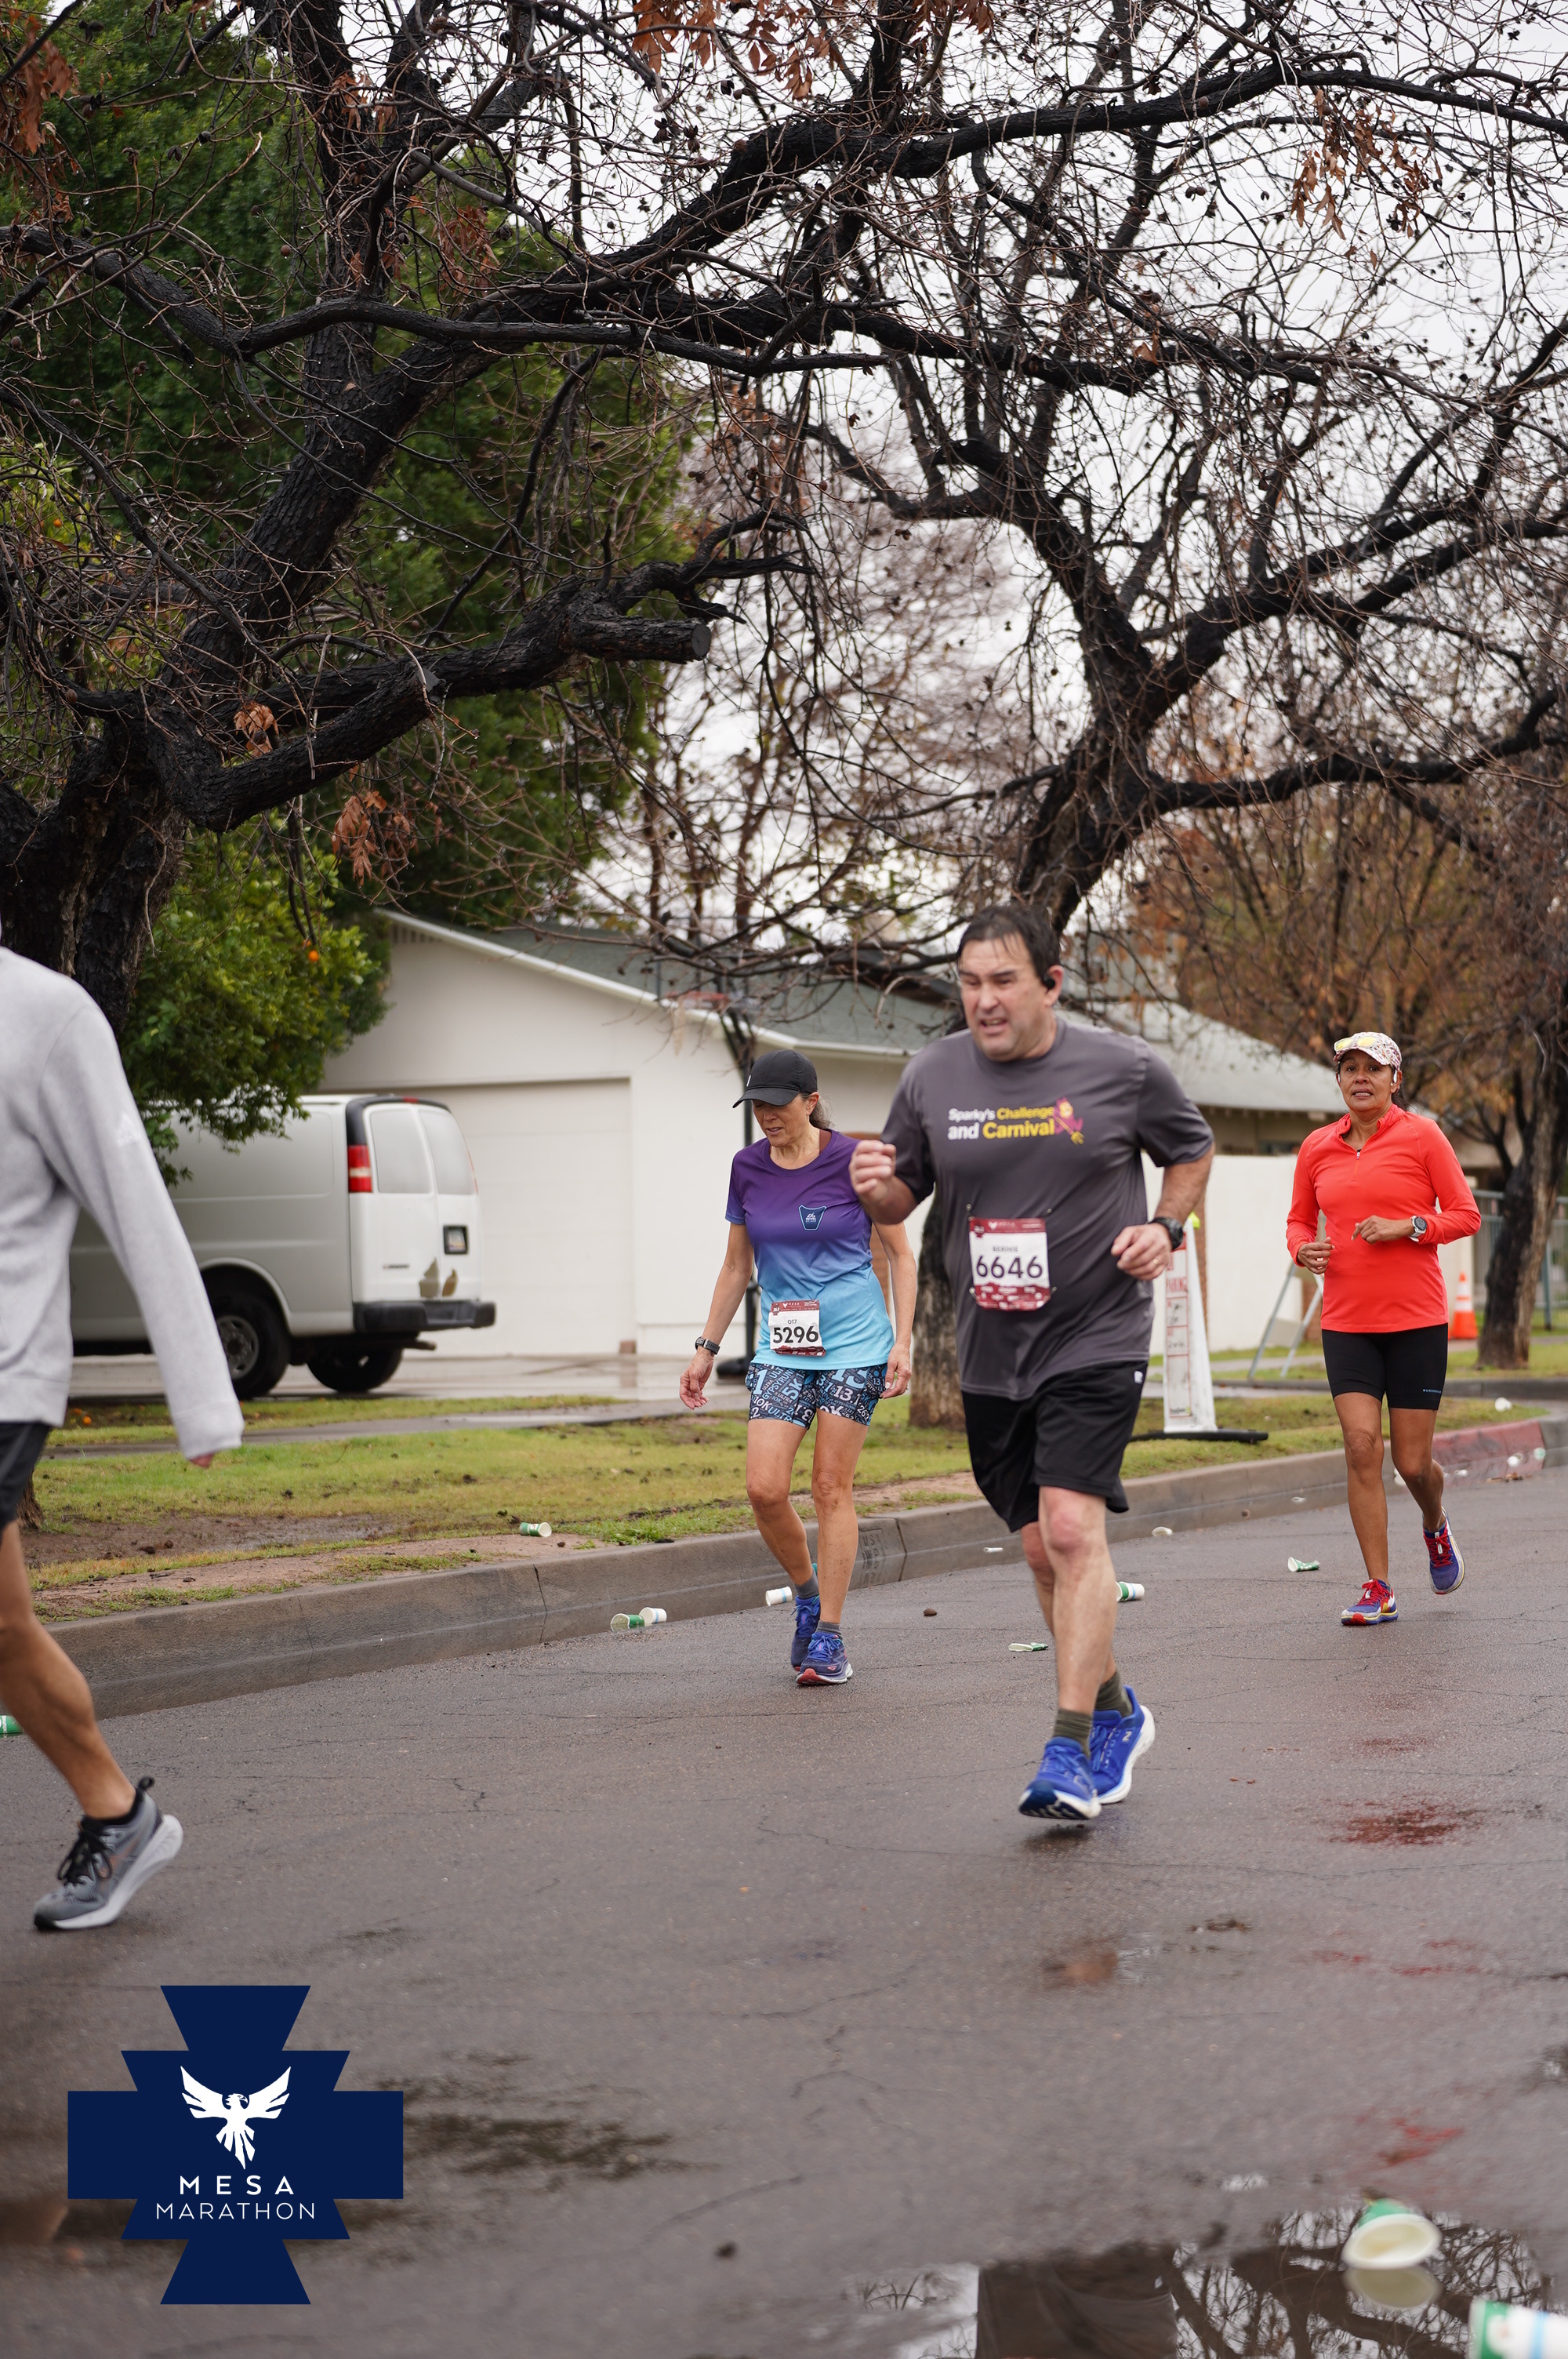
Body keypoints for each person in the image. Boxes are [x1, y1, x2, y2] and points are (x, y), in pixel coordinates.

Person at [848, 905, 1214, 1825]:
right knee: (1038, 1546)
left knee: (1068, 1529)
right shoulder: (931, 1075)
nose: (983, 999)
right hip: (991, 1348)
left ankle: (1068, 1749)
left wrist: (1164, 1227)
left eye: (1003, 980)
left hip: (1095, 1333)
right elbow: (901, 1193)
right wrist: (874, 1189)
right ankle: (1117, 1708)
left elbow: (1190, 1148)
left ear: (1050, 983)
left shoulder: (1122, 1069)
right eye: (969, 982)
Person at [0, 940, 243, 1929]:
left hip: (4, 1372)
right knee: (5, 1630)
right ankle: (117, 1812)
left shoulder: (44, 1015)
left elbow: (134, 1197)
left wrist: (202, 1395)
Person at [680, 1048, 916, 1685]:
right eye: (757, 1105)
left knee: (831, 1487)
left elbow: (900, 1255)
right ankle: (807, 1596)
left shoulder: (858, 1160)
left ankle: (830, 1637)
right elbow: (737, 1266)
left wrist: (902, 1342)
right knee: (764, 1489)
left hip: (857, 1345)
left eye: (777, 1105)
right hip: (785, 1346)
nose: (766, 1116)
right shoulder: (747, 1167)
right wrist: (706, 1349)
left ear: (810, 1102)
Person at [1287, 1030, 1479, 1627]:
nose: (1360, 1078)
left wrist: (1409, 1227)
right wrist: (1302, 1250)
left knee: (1413, 1464)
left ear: (1395, 1080)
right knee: (1361, 1446)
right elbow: (1298, 1221)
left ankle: (1435, 1525)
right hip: (1347, 1323)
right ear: (1339, 1081)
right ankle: (1379, 1586)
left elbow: (1466, 1215)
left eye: (1373, 1068)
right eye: (1350, 1068)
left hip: (1416, 1320)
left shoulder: (1423, 1136)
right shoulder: (1317, 1147)